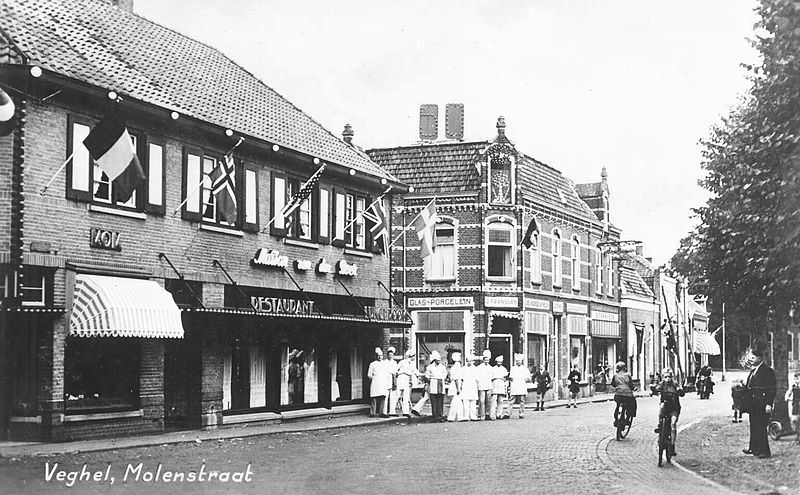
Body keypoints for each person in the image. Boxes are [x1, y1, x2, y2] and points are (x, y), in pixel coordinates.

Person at [743, 346, 777, 458]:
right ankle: (754, 448)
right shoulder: (754, 370)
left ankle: (765, 451)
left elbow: (772, 389)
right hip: (753, 404)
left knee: (761, 427)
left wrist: (769, 403)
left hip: (762, 404)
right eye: (750, 357)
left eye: (753, 357)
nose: (751, 359)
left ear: (760, 358)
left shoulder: (767, 371)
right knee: (754, 426)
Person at [653, 367, 684, 456]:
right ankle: (660, 426)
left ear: (672, 377)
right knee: (661, 407)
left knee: (673, 425)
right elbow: (657, 388)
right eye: (665, 377)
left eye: (669, 377)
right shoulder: (661, 384)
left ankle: (672, 445)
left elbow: (681, 391)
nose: (667, 379)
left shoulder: (675, 384)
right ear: (663, 377)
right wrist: (654, 389)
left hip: (674, 408)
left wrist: (680, 391)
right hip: (665, 407)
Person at [611, 361, 637, 429]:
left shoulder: (615, 375)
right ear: (624, 368)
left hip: (618, 395)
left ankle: (616, 420)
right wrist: (633, 388)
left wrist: (617, 388)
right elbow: (631, 385)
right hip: (627, 395)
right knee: (632, 404)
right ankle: (628, 419)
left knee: (617, 405)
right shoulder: (627, 375)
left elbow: (613, 384)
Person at [425, 350, 447, 422]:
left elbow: (445, 374)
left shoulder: (443, 367)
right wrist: (432, 379)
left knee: (440, 401)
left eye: (439, 360)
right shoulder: (430, 367)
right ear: (434, 360)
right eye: (437, 360)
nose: (438, 361)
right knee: (434, 401)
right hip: (433, 384)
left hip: (441, 384)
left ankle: (440, 416)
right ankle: (435, 416)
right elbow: (427, 376)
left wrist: (441, 379)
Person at [396, 349, 418, 418]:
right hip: (401, 378)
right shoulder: (402, 362)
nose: (414, 358)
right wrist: (400, 373)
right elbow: (396, 369)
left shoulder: (412, 364)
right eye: (414, 356)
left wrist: (422, 374)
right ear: (411, 356)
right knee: (397, 395)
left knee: (406, 396)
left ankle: (405, 412)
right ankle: (391, 411)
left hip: (407, 379)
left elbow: (416, 372)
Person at [367, 347, 388, 418]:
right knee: (374, 397)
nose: (380, 357)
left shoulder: (385, 364)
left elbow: (387, 373)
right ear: (376, 356)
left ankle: (381, 412)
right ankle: (372, 413)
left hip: (383, 382)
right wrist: (374, 378)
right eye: (378, 355)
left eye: (381, 355)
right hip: (375, 382)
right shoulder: (372, 364)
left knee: (383, 397)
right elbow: (369, 375)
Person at [508, 354, 531, 419]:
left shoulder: (524, 369)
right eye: (517, 361)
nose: (518, 362)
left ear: (522, 361)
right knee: (511, 399)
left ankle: (521, 413)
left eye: (519, 361)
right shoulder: (513, 368)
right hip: (515, 386)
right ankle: (508, 413)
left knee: (522, 401)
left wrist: (526, 379)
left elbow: (528, 377)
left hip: (522, 386)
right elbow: (511, 377)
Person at [461, 355, 480, 420]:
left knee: (473, 402)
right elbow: (461, 379)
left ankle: (473, 416)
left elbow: (477, 380)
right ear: (466, 361)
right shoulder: (463, 369)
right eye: (468, 361)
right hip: (466, 386)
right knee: (465, 402)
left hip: (473, 386)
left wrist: (477, 388)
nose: (469, 362)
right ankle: (466, 417)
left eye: (470, 361)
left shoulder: (475, 369)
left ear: (473, 362)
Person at [447, 351, 464, 422]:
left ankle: (459, 416)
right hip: (456, 385)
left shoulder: (454, 367)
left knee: (458, 401)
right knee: (455, 401)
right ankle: (451, 417)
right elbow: (457, 379)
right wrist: (458, 388)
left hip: (455, 384)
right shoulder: (457, 367)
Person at [490, 354, 509, 420]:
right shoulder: (493, 369)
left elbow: (506, 377)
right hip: (495, 384)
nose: (499, 363)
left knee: (500, 401)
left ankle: (499, 414)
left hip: (501, 385)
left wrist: (504, 381)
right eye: (498, 362)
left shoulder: (504, 369)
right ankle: (492, 415)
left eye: (500, 362)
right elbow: (491, 377)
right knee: (493, 401)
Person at [477, 350, 493, 420]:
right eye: (485, 360)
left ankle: (487, 414)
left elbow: (492, 377)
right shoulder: (479, 368)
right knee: (482, 401)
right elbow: (477, 377)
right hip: (481, 385)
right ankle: (481, 414)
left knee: (488, 400)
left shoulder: (491, 368)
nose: (486, 361)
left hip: (488, 385)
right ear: (483, 360)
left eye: (488, 360)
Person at [784, 373, 800, 445]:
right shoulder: (793, 386)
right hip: (795, 404)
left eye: (798, 379)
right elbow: (788, 392)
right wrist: (787, 397)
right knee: (794, 419)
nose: (796, 380)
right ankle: (797, 436)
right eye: (795, 379)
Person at [383, 347, 399, 416]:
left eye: (392, 355)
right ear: (387, 355)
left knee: (393, 396)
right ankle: (384, 411)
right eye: (389, 355)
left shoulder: (395, 363)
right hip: (386, 379)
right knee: (386, 396)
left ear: (393, 355)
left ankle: (392, 411)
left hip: (393, 379)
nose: (390, 356)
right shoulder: (385, 362)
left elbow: (396, 371)